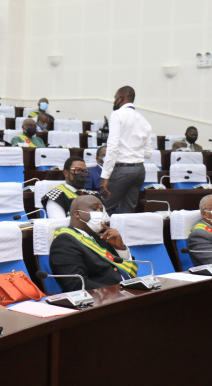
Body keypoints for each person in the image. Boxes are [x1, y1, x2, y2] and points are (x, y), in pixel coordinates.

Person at [49, 195, 137, 292]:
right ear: (77, 214)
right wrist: (118, 292)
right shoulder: (64, 242)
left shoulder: (100, 237)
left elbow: (121, 269)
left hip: (126, 292)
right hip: (102, 300)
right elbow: (78, 285)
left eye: (101, 210)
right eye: (95, 209)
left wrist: (120, 248)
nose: (100, 213)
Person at [100, 86, 153, 215]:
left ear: (121, 98)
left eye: (115, 98)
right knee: (128, 212)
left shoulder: (117, 115)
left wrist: (104, 177)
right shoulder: (144, 120)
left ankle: (98, 236)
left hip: (122, 170)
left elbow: (112, 147)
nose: (114, 101)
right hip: (139, 170)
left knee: (104, 209)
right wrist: (133, 150)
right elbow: (148, 153)